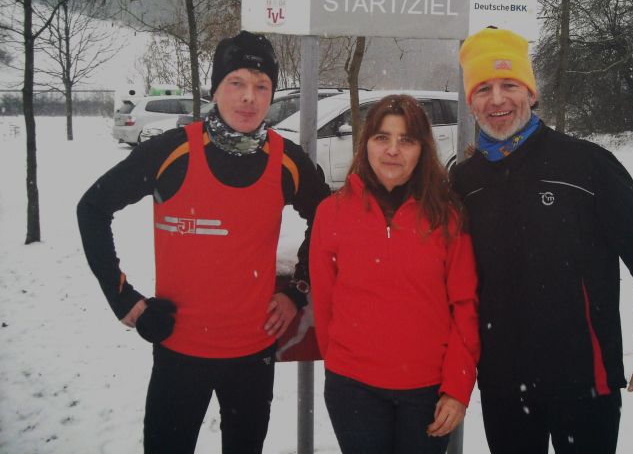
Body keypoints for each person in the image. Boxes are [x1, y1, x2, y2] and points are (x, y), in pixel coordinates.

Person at [76, 30, 330, 454]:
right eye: (236, 82)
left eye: (261, 86)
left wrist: (297, 292)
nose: (248, 97)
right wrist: (126, 302)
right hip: (179, 351)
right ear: (215, 90)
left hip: (252, 356)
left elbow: (327, 221)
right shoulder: (172, 151)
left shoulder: (286, 160)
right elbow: (92, 209)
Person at [449, 27, 633, 454]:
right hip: (504, 387)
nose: (497, 100)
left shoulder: (585, 164)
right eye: (483, 89)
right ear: (470, 101)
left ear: (531, 92)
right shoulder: (464, 182)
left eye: (509, 85)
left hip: (584, 382)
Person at [310, 94, 480, 454]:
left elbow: (465, 306)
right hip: (353, 389)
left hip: (427, 392)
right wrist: (341, 365)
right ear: (366, 144)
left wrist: (457, 388)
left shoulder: (447, 216)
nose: (392, 150)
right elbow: (325, 303)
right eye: (382, 137)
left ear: (422, 149)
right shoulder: (332, 212)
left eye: (406, 140)